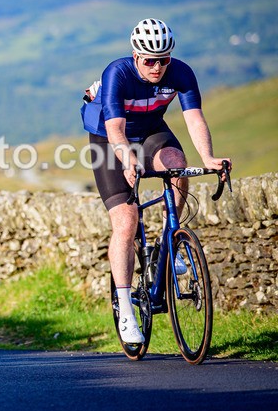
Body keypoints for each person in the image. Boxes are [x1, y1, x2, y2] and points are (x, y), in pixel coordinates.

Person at [81, 19, 231, 344]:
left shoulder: (180, 72)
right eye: (150, 60)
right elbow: (116, 131)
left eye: (164, 60)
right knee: (126, 220)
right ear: (136, 56)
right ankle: (124, 308)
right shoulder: (117, 73)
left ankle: (171, 241)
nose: (157, 67)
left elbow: (194, 118)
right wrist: (128, 160)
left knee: (177, 164)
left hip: (149, 128)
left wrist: (209, 158)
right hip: (108, 138)